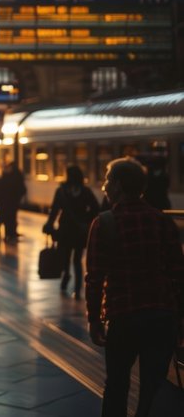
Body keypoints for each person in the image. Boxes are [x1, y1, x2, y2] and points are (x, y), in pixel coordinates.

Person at [85, 157, 184, 417]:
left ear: (117, 185)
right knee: (153, 389)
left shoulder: (104, 223)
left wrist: (94, 320)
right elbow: (178, 272)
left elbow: (94, 278)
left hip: (123, 316)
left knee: (116, 385)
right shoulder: (162, 221)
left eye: (107, 181)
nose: (104, 187)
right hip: (162, 316)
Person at [43, 165, 99, 299]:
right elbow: (95, 209)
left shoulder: (61, 191)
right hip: (79, 231)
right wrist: (86, 221)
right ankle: (78, 289)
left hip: (65, 230)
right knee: (77, 260)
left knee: (65, 257)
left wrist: (49, 225)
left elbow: (54, 210)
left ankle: (66, 277)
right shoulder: (86, 191)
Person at [0, 161, 26, 242]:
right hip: (13, 201)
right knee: (12, 217)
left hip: (6, 202)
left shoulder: (5, 176)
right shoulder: (17, 175)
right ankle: (11, 233)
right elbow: (22, 189)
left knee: (8, 218)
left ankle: (8, 233)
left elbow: (0, 188)